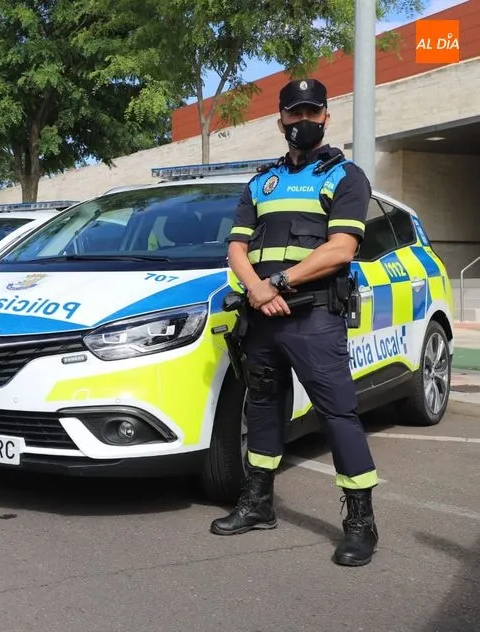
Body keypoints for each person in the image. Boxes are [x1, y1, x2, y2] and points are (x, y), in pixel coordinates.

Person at [212, 78, 379, 567]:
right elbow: (237, 248)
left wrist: (278, 284)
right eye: (293, 112)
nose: (302, 120)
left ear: (326, 116)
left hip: (314, 315)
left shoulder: (345, 176)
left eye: (311, 111)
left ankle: (360, 523)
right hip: (261, 316)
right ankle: (259, 502)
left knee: (338, 414)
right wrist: (258, 290)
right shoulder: (261, 182)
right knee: (262, 406)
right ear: (280, 119)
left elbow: (341, 249)